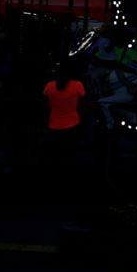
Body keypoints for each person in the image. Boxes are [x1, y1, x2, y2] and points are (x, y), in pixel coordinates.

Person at [41, 59, 87, 196]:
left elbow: (45, 108)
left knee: (54, 159)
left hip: (53, 126)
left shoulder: (49, 87)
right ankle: (67, 189)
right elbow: (82, 106)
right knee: (69, 159)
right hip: (72, 126)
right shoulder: (78, 86)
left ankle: (53, 188)